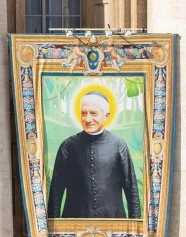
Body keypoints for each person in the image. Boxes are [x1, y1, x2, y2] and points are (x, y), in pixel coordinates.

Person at [47, 88, 141, 219]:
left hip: (113, 221)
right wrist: (53, 227)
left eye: (93, 113)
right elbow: (56, 192)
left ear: (106, 116)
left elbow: (131, 189)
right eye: (83, 113)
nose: (87, 118)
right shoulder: (68, 146)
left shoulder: (119, 145)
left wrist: (135, 228)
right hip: (75, 222)